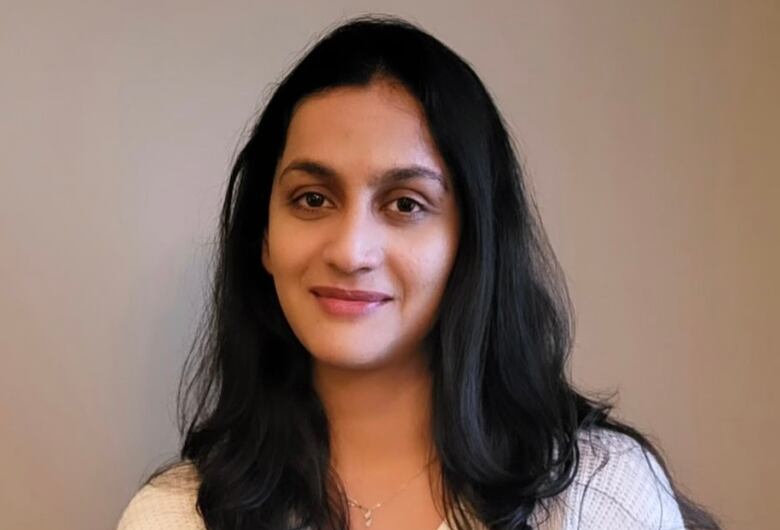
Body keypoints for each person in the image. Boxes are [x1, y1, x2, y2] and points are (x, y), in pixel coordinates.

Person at [116, 14, 720, 530]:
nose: (351, 251)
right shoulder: (173, 516)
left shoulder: (595, 499)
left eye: (405, 204)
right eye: (312, 199)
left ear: (471, 243)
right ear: (264, 239)